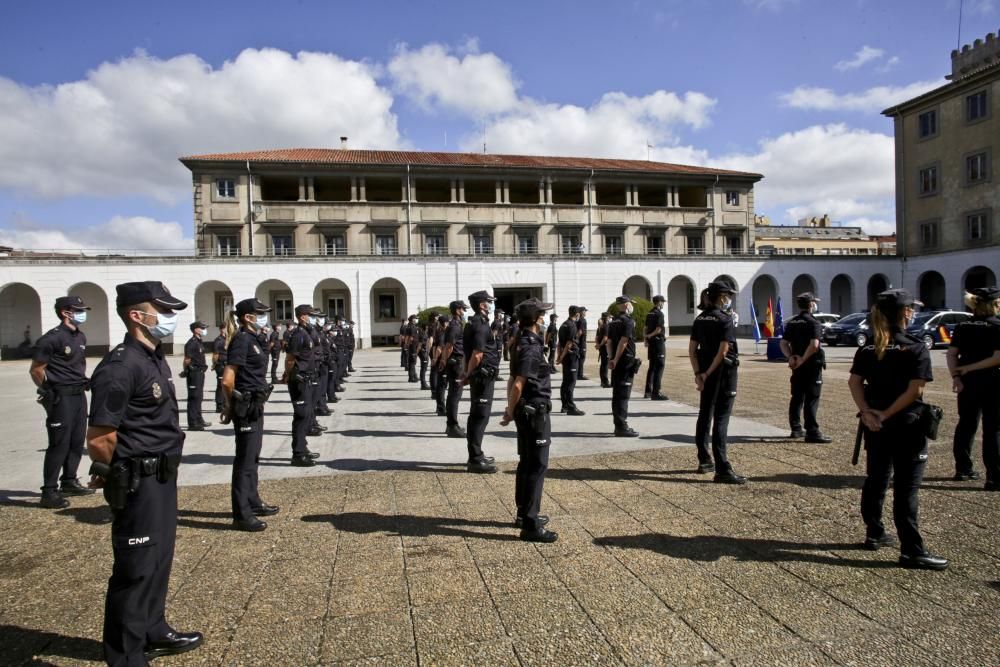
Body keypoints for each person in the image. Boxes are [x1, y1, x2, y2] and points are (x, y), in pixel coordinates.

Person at [86, 281, 204, 664]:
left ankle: (153, 629)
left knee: (159, 560)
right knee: (135, 571)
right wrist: (115, 472)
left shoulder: (152, 357)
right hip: (137, 479)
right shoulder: (121, 366)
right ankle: (126, 656)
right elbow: (101, 435)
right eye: (163, 311)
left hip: (161, 476)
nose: (169, 318)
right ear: (138, 316)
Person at [848, 289, 948, 570]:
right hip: (906, 425)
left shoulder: (868, 346)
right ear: (905, 312)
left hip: (875, 427)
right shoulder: (915, 347)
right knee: (906, 488)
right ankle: (912, 551)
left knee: (876, 479)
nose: (913, 312)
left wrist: (869, 412)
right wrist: (886, 413)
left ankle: (874, 532)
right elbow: (916, 389)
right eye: (911, 309)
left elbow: (854, 383)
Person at [500, 297, 558, 543]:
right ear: (535, 320)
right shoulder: (531, 345)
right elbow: (519, 383)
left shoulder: (519, 341)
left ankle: (524, 514)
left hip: (525, 410)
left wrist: (510, 409)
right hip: (534, 411)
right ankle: (531, 524)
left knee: (526, 464)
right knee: (536, 466)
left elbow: (511, 380)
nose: (544, 318)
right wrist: (510, 411)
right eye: (542, 315)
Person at [30, 295, 96, 508]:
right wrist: (48, 391)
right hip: (61, 395)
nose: (82, 313)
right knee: (59, 443)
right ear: (65, 312)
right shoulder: (52, 338)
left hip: (78, 394)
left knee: (76, 440)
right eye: (78, 310)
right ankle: (49, 491)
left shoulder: (80, 336)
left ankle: (69, 480)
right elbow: (36, 369)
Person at [220, 298, 279, 532]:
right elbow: (227, 379)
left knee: (253, 456)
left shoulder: (255, 339)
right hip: (245, 405)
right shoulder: (242, 340)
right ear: (248, 317)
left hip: (255, 403)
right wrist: (229, 406)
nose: (265, 316)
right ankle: (241, 513)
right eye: (260, 313)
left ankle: (253, 501)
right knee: (244, 461)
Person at [689, 281, 746, 483]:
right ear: (722, 297)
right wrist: (708, 373)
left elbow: (692, 350)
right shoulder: (725, 319)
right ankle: (722, 468)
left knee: (705, 415)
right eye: (728, 296)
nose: (729, 299)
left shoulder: (700, 318)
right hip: (723, 375)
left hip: (705, 372)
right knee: (721, 419)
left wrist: (699, 374)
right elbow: (723, 352)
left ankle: (704, 459)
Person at [947, 286, 1000, 489]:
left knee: (966, 425)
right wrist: (969, 367)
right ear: (994, 304)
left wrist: (957, 376)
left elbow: (951, 354)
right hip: (994, 382)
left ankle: (963, 468)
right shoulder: (997, 326)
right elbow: (997, 358)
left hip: (968, 384)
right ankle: (994, 476)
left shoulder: (963, 326)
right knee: (993, 428)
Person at [780, 292, 832, 443]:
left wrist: (790, 357)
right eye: (814, 302)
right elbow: (814, 345)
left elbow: (783, 343)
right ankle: (812, 431)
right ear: (810, 305)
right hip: (811, 365)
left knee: (797, 397)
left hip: (796, 365)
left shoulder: (793, 322)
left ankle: (796, 428)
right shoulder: (813, 323)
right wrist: (803, 358)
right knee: (812, 398)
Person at [463, 290, 500, 474]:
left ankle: (477, 453)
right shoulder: (479, 325)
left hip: (483, 376)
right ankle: (475, 459)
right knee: (479, 416)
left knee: (478, 416)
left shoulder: (478, 322)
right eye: (489, 302)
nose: (492, 304)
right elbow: (477, 354)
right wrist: (468, 374)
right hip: (482, 377)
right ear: (482, 305)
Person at [282, 304, 322, 466]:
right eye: (311, 315)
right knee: (300, 416)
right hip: (299, 380)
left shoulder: (307, 332)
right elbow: (290, 358)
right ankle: (298, 454)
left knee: (305, 414)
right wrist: (288, 374)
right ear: (302, 316)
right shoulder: (298, 334)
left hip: (306, 377)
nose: (313, 317)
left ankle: (303, 448)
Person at [607, 296, 640, 437]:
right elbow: (624, 341)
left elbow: (609, 342)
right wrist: (615, 359)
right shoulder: (628, 321)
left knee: (617, 394)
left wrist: (611, 358)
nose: (632, 306)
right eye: (631, 304)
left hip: (616, 361)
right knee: (623, 396)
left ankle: (618, 424)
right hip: (625, 362)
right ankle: (622, 426)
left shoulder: (613, 321)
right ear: (627, 305)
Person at [439, 300, 468, 437]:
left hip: (457, 362)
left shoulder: (456, 324)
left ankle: (451, 425)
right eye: (462, 309)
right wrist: (444, 361)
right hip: (455, 363)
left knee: (454, 395)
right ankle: (452, 426)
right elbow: (449, 346)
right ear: (457, 310)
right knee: (454, 395)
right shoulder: (455, 326)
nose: (464, 312)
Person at [182, 320, 210, 431]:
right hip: (194, 373)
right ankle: (193, 423)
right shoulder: (191, 343)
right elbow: (187, 359)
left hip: (200, 373)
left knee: (199, 397)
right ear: (195, 330)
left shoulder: (199, 342)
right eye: (202, 328)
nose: (204, 330)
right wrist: (185, 371)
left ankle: (199, 419)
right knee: (194, 398)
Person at [557, 306, 584, 415]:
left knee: (565, 382)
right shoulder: (572, 326)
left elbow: (559, 343)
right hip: (571, 357)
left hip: (566, 357)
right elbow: (569, 344)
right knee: (571, 382)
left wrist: (559, 356)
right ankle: (570, 407)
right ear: (577, 314)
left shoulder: (563, 325)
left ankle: (564, 406)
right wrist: (561, 357)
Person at [643, 295, 668, 400]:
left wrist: (646, 339)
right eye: (663, 302)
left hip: (651, 343)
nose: (663, 304)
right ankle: (656, 392)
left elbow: (645, 327)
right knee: (660, 366)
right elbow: (658, 329)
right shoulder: (659, 314)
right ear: (659, 302)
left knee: (652, 367)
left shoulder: (649, 313)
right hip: (658, 342)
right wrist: (649, 336)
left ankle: (648, 392)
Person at [431, 315, 448, 415]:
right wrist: (435, 358)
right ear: (445, 323)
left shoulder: (439, 332)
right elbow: (439, 348)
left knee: (441, 385)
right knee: (441, 386)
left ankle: (439, 407)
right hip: (442, 361)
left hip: (440, 360)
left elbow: (434, 346)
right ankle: (441, 408)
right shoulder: (442, 333)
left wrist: (434, 358)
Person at [211, 329, 227, 414]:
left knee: (225, 385)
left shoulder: (227, 339)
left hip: (227, 365)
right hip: (221, 365)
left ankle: (225, 404)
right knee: (220, 386)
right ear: (222, 329)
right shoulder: (218, 340)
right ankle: (219, 405)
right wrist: (214, 364)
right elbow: (215, 354)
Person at [595, 312, 611, 388]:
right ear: (607, 318)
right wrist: (600, 345)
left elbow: (597, 338)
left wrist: (598, 344)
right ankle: (605, 382)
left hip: (601, 348)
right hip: (605, 348)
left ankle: (602, 381)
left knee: (603, 365)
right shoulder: (606, 326)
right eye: (609, 317)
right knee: (605, 365)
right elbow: (605, 338)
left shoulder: (600, 327)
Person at [576, 306, 590, 380]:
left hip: (580, 342)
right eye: (584, 311)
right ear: (581, 312)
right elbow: (580, 332)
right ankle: (580, 375)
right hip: (581, 343)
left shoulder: (578, 320)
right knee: (582, 358)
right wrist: (576, 340)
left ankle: (578, 374)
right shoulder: (582, 320)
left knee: (580, 359)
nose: (585, 312)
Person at [405, 314, 420, 383]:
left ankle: (413, 376)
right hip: (413, 346)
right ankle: (412, 377)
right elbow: (410, 338)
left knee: (411, 361)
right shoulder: (413, 327)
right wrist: (408, 344)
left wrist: (406, 345)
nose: (416, 320)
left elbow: (407, 337)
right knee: (412, 362)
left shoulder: (409, 326)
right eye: (415, 319)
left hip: (411, 346)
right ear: (412, 319)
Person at [416, 321, 430, 390]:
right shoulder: (423, 334)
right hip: (423, 353)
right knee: (423, 369)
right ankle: (423, 384)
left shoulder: (424, 333)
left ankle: (423, 383)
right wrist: (416, 353)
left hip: (424, 352)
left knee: (424, 369)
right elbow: (419, 345)